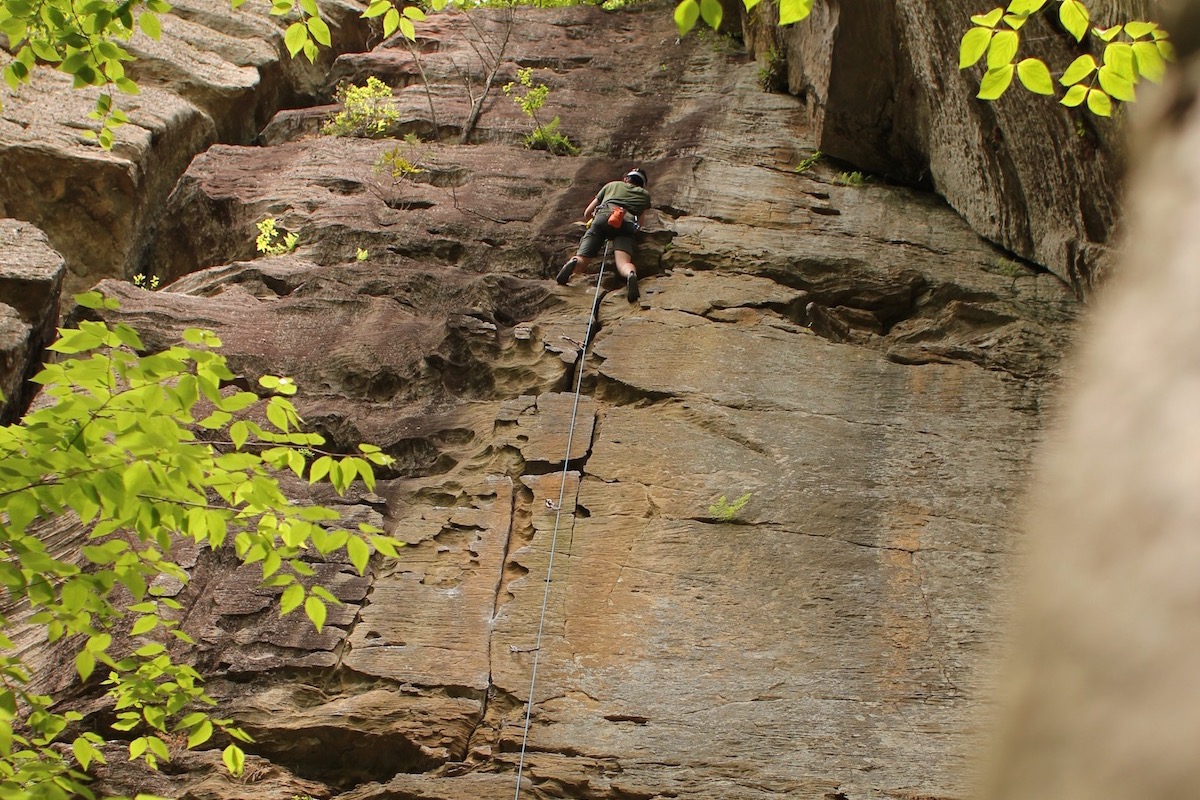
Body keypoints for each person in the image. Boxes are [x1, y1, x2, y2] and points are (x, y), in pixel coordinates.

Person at [555, 167, 651, 302]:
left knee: (583, 258)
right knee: (623, 263)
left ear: (626, 179)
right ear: (641, 184)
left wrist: (592, 220)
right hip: (626, 222)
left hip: (603, 217)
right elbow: (639, 223)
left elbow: (587, 212)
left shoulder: (611, 185)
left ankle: (574, 262)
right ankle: (630, 274)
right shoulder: (645, 195)